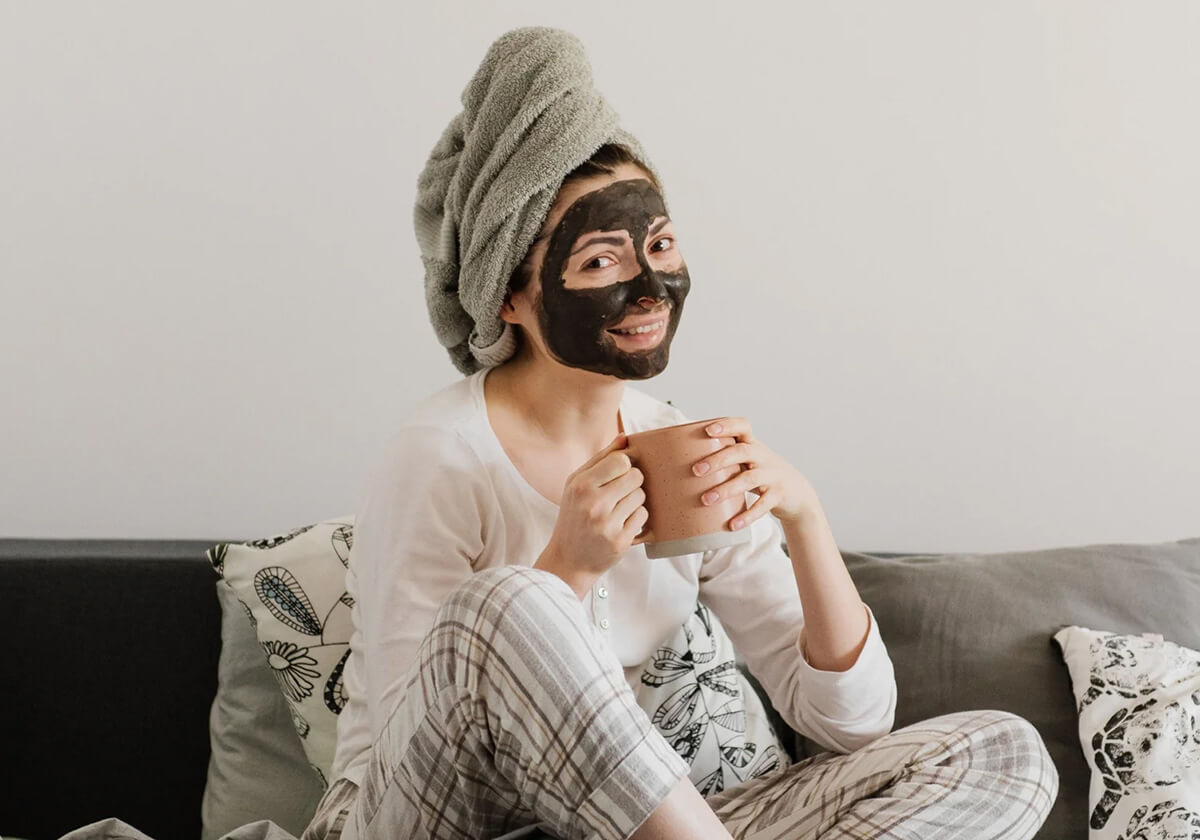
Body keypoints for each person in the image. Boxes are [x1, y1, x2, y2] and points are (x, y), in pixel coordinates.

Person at [302, 27, 1058, 840]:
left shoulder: (679, 449)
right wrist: (567, 572)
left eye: (659, 245)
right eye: (599, 262)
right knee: (514, 598)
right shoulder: (439, 456)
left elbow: (850, 728)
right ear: (507, 300)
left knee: (1003, 752)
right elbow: (421, 737)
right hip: (432, 821)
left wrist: (803, 518)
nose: (651, 286)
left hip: (647, 824)